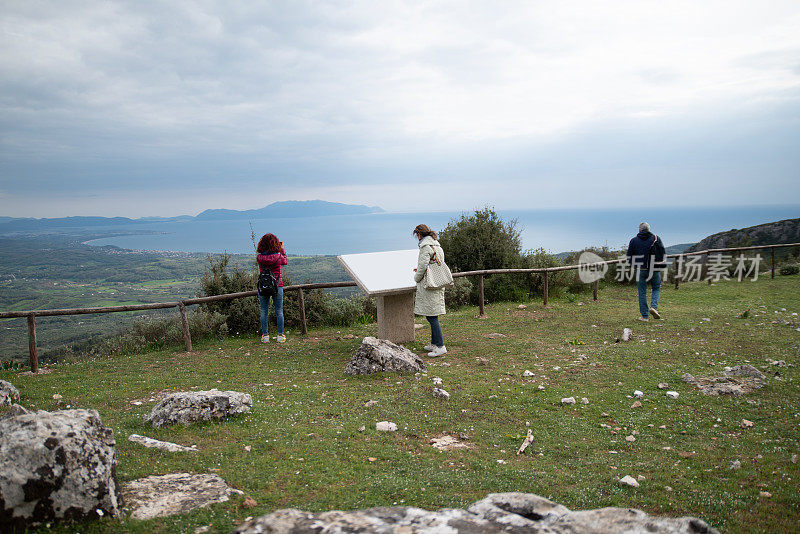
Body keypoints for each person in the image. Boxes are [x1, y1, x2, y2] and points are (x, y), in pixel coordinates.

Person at [412, 224, 447, 357]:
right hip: (437, 283)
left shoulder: (425, 247)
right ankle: (434, 343)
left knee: (432, 316)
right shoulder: (437, 246)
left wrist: (417, 277)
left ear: (419, 235)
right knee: (432, 314)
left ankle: (440, 346)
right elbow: (436, 264)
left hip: (429, 285)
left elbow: (422, 267)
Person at [626, 222, 666, 321]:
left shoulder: (634, 240)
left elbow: (629, 257)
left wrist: (635, 266)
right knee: (656, 288)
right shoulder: (656, 238)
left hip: (640, 270)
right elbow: (663, 253)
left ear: (639, 230)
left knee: (642, 292)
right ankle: (653, 307)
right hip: (654, 268)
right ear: (648, 229)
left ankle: (645, 316)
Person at [256, 233, 288, 342]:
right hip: (277, 285)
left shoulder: (259, 257)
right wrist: (282, 249)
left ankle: (265, 336)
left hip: (263, 286)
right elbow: (285, 261)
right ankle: (280, 336)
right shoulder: (278, 256)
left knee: (264, 310)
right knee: (279, 310)